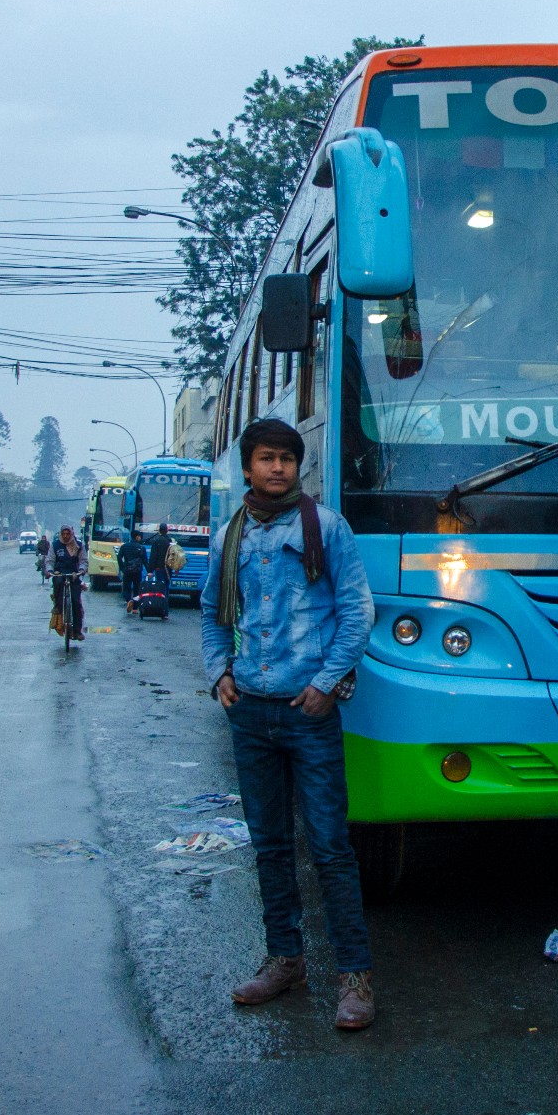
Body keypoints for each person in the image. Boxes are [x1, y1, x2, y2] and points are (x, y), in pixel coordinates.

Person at [201, 418, 377, 1031]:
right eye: (266, 458)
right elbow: (212, 613)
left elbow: (358, 610)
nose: (277, 468)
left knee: (330, 847)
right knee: (270, 846)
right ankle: (284, 960)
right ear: (247, 468)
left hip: (309, 714)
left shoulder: (326, 527)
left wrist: (326, 684)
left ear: (299, 467)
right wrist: (218, 671)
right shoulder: (232, 535)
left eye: (286, 459)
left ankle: (355, 980)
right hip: (248, 712)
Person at [42, 524, 86, 639]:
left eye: (68, 534)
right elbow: (50, 560)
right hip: (59, 573)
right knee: (57, 582)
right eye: (63, 534)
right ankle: (57, 605)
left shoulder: (79, 545)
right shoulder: (55, 545)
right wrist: (49, 571)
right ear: (61, 534)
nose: (66, 536)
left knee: (76, 602)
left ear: (71, 534)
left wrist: (82, 570)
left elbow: (83, 560)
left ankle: (77, 631)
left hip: (74, 575)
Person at [117, 530, 148, 601]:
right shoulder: (142, 548)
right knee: (136, 589)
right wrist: (149, 571)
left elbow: (119, 557)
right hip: (137, 571)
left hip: (127, 571)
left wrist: (122, 568)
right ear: (137, 537)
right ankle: (135, 607)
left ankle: (128, 601)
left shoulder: (124, 546)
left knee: (126, 588)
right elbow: (145, 561)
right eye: (140, 537)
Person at [148, 523, 177, 597]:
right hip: (169, 568)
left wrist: (150, 571)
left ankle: (160, 604)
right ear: (167, 531)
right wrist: (176, 568)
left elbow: (153, 557)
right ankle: (165, 605)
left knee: (160, 587)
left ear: (159, 531)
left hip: (159, 568)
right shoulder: (171, 541)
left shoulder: (156, 541)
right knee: (166, 587)